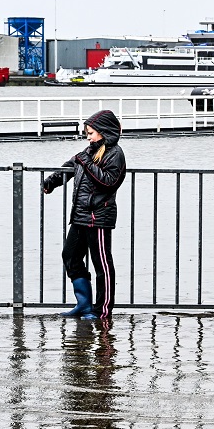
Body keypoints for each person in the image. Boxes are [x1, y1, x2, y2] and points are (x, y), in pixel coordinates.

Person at [43, 110, 127, 320]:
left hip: (99, 216)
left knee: (102, 264)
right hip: (80, 215)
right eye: (87, 133)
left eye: (91, 133)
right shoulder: (89, 151)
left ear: (103, 132)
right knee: (70, 256)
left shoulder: (115, 153)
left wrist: (86, 163)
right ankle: (84, 304)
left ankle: (102, 311)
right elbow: (70, 167)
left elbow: (109, 181)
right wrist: (51, 182)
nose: (88, 137)